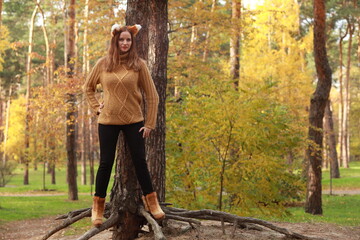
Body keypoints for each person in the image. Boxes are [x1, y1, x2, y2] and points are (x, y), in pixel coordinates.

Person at [83, 23, 165, 227]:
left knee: (140, 162)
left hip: (133, 122)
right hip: (108, 121)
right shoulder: (103, 64)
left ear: (132, 42)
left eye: (128, 39)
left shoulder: (139, 65)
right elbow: (88, 88)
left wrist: (150, 124)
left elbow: (152, 96)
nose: (125, 43)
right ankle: (98, 207)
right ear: (115, 41)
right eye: (122, 39)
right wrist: (96, 107)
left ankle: (152, 203)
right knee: (105, 163)